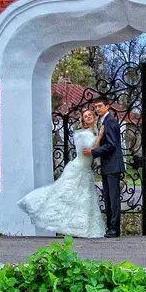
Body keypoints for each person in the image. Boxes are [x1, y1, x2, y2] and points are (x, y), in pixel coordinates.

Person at [17, 109, 107, 238]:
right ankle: (33, 202)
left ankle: (80, 228)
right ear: (83, 120)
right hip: (77, 169)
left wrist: (99, 135)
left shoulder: (94, 131)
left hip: (86, 170)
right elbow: (90, 150)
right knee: (63, 196)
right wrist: (99, 137)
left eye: (90, 115)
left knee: (82, 200)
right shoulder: (82, 134)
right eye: (85, 116)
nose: (88, 117)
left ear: (94, 117)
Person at [83, 97, 124, 238]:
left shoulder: (110, 122)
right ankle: (111, 227)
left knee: (113, 198)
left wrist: (93, 152)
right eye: (96, 107)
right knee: (108, 197)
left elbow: (112, 144)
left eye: (100, 106)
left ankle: (114, 228)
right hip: (108, 165)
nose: (97, 109)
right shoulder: (104, 121)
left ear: (107, 106)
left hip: (113, 165)